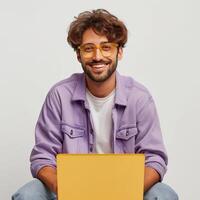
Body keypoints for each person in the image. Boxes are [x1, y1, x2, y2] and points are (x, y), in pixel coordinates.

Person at [12, 9, 178, 200]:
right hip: (70, 193)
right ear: (78, 55)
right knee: (28, 194)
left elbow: (155, 159)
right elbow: (42, 157)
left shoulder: (139, 98)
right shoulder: (59, 96)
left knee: (164, 195)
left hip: (124, 192)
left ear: (119, 52)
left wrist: (124, 192)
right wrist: (67, 188)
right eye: (88, 48)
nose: (97, 56)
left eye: (106, 47)